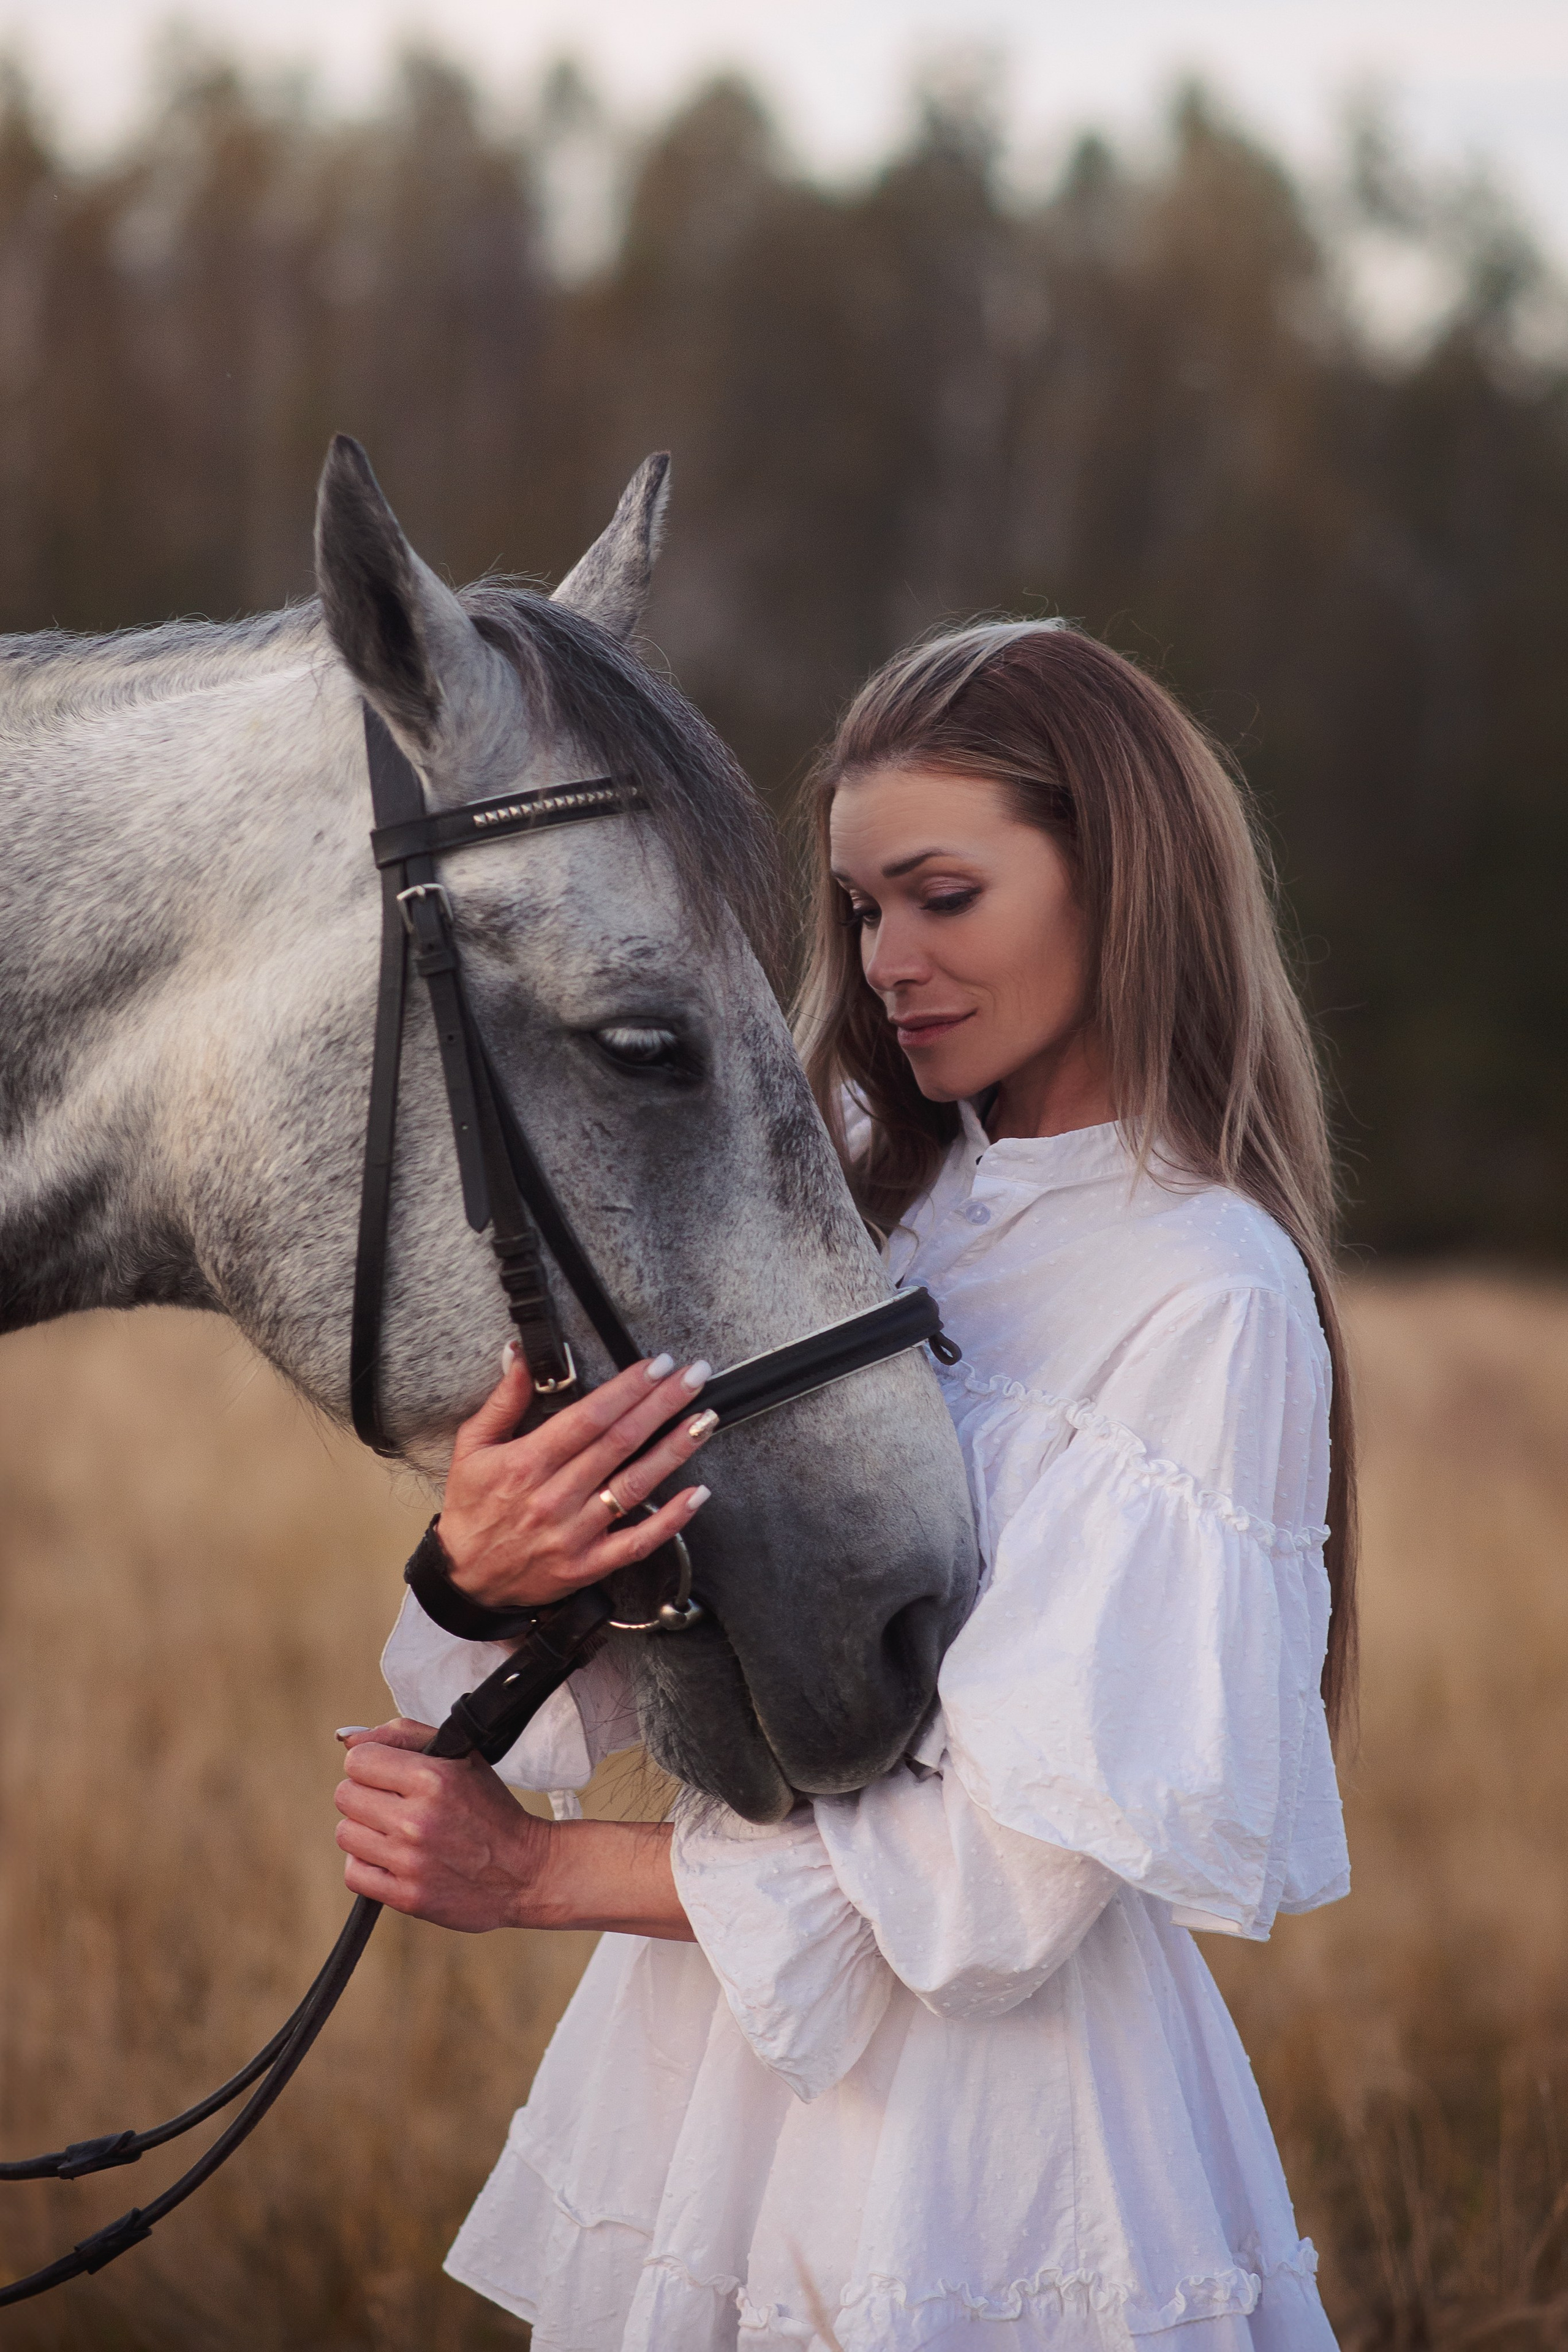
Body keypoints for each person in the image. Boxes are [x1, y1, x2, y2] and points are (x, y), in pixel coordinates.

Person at [334, 619, 1354, 2352]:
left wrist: (541, 1879)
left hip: (992, 2149)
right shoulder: (849, 1199)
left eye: (944, 896)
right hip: (707, 2101)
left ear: (1120, 880)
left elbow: (1006, 1881)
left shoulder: (1206, 1287)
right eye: (865, 907)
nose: (887, 959)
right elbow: (646, 1630)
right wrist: (477, 1575)